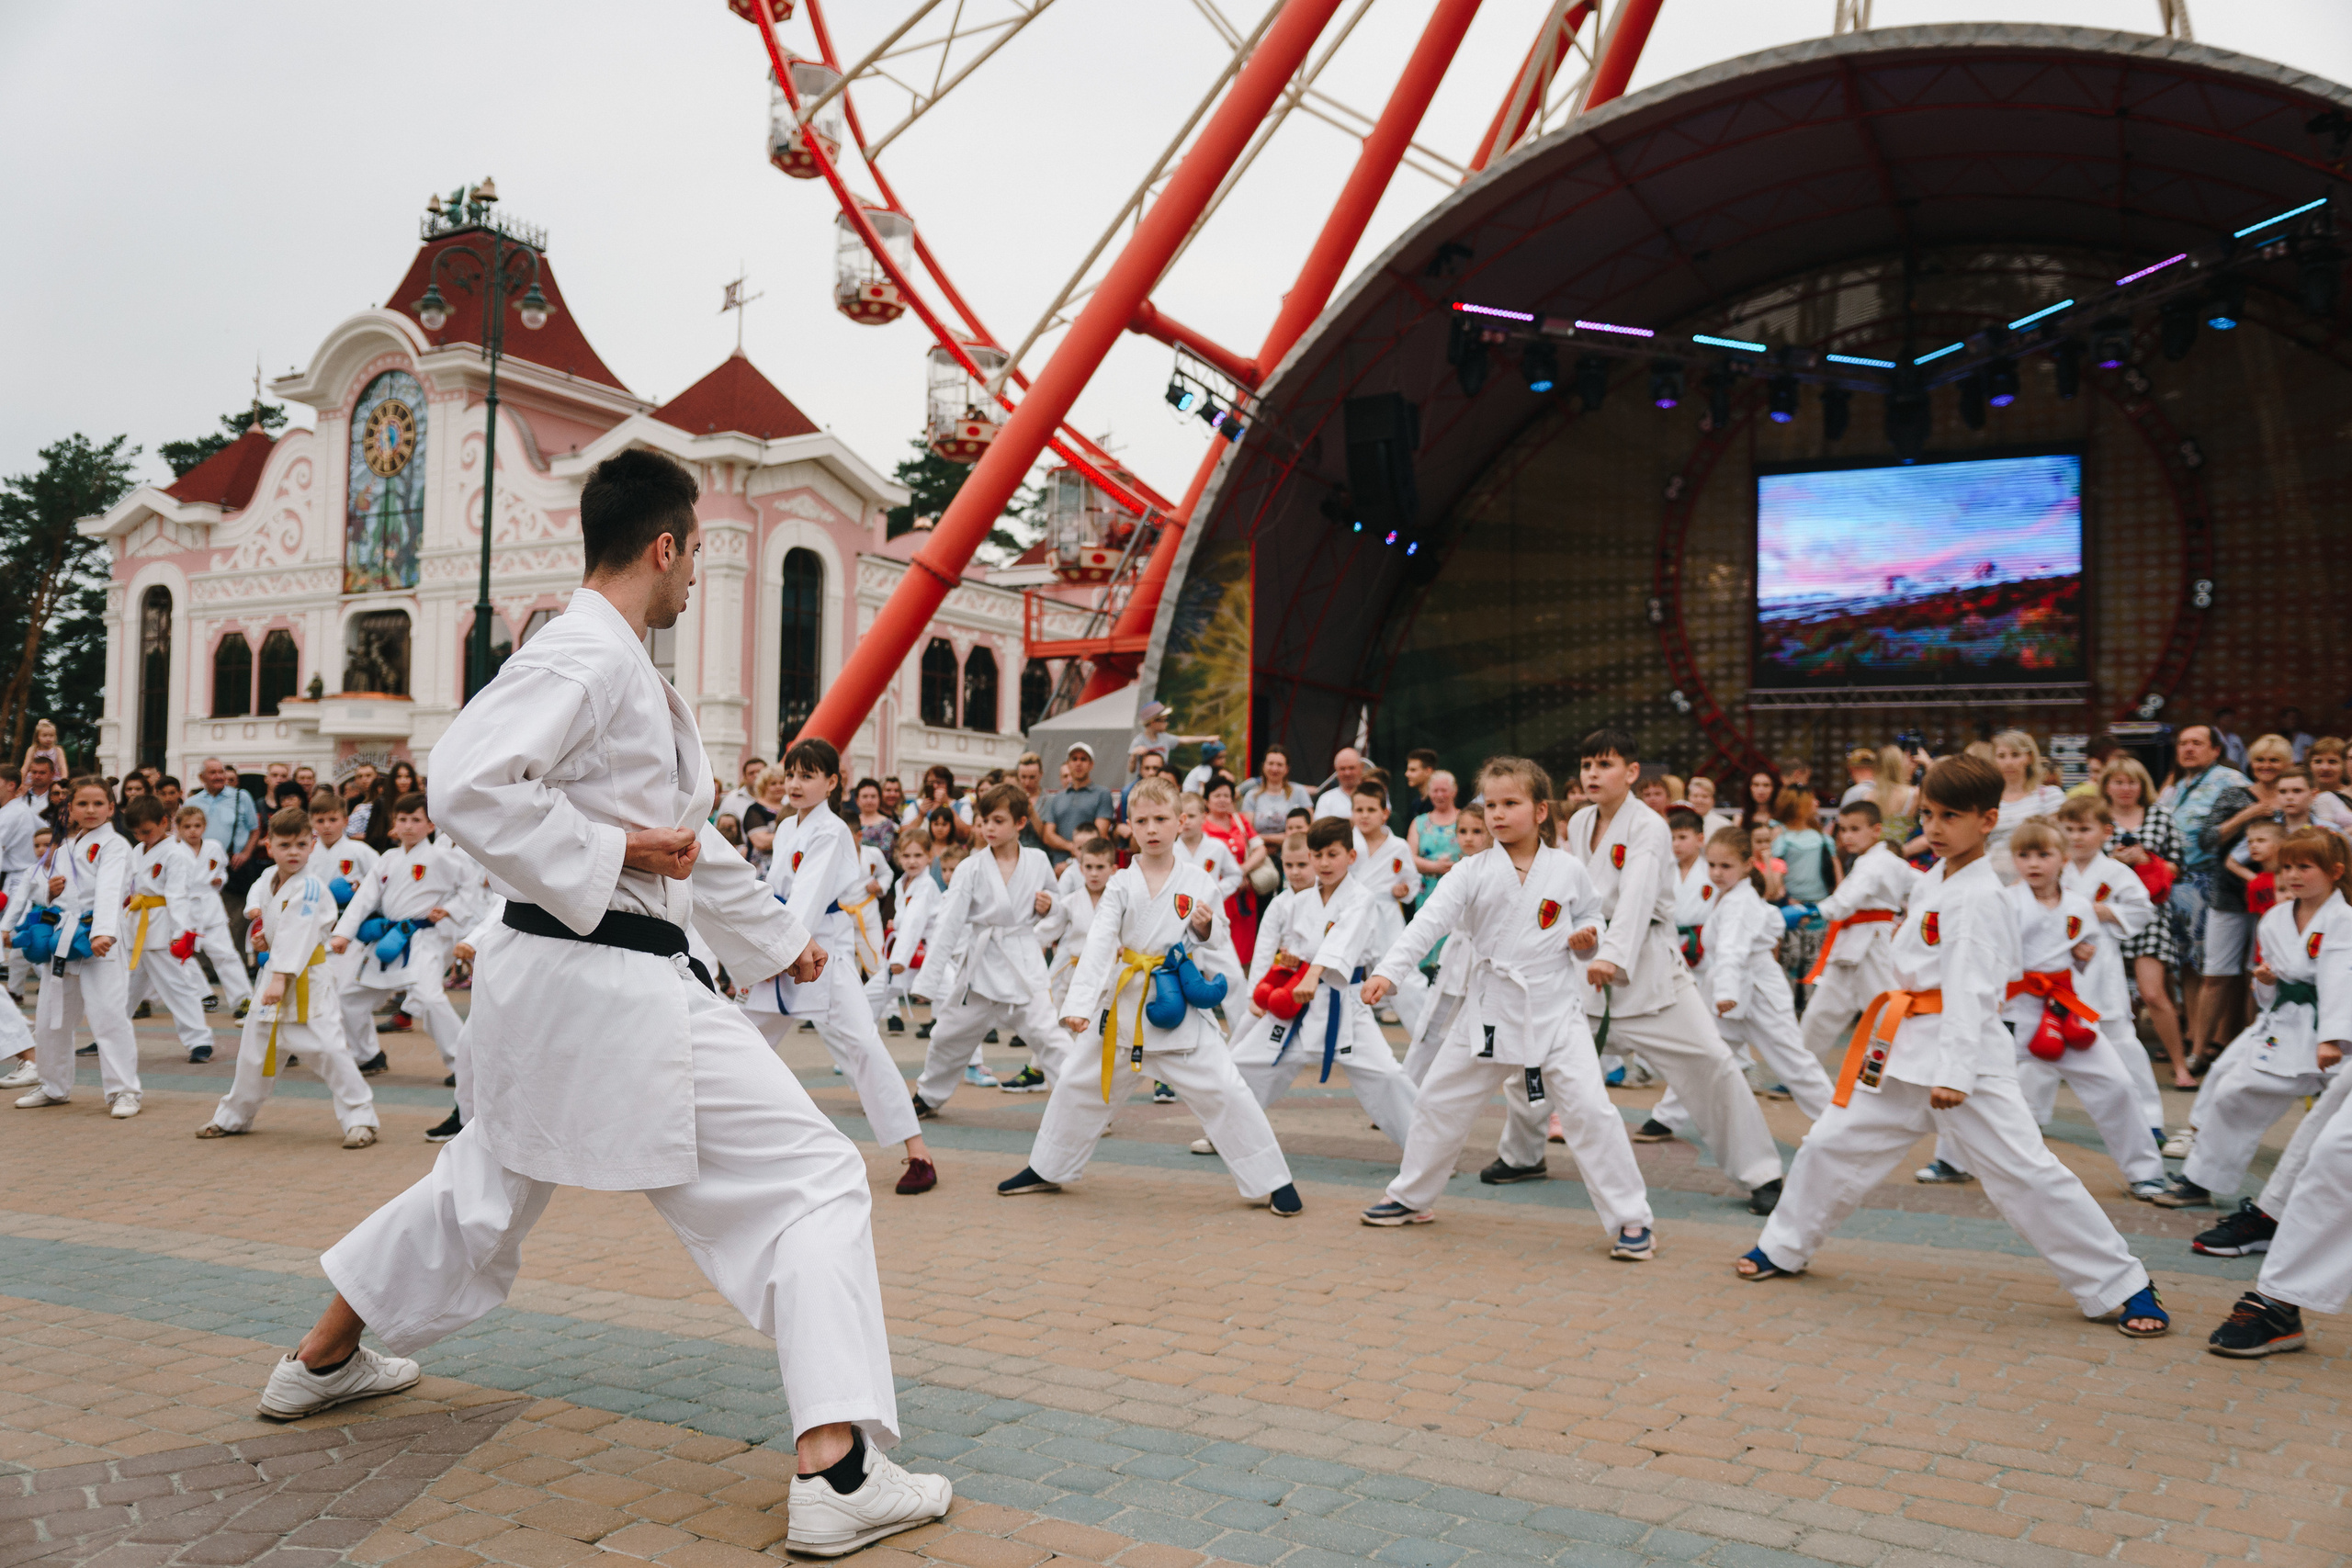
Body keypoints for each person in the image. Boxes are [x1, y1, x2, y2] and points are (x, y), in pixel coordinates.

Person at [265, 447, 946, 1555]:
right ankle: (839, 1468)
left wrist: (780, 942)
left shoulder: (616, 662)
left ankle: (318, 1364)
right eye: (695, 559)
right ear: (667, 544)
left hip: (558, 983)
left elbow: (690, 844)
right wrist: (617, 844)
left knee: (482, 1180)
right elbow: (467, 784)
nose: (693, 582)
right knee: (816, 1181)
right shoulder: (586, 652)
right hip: (611, 984)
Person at [1739, 753, 2169, 1339]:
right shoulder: (1937, 878)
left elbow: (1973, 988)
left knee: (2026, 1173)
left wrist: (1957, 1073)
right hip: (1906, 1048)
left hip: (1961, 1062)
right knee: (1830, 1143)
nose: (1935, 828)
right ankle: (1783, 1246)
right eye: (1928, 815)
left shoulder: (1979, 895)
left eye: (1951, 817)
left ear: (1988, 818)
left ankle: (2124, 1285)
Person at [1360, 758, 1653, 1250]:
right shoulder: (1471, 871)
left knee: (1591, 1111)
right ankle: (1412, 1196)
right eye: (1490, 804)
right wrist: (1390, 971)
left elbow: (1592, 917)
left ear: (1541, 811)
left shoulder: (1568, 869)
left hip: (1554, 1011)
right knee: (1438, 1101)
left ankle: (1631, 1218)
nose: (1497, 814)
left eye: (1510, 803)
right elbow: (1427, 922)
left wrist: (1588, 939)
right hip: (1489, 1009)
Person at [1497, 728, 1786, 1213]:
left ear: (1631, 773)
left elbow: (1636, 895)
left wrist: (1613, 955)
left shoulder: (1649, 826)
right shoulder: (1583, 820)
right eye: (1587, 764)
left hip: (1649, 971)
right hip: (1586, 968)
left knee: (1712, 1064)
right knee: (1532, 1062)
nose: (1592, 773)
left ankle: (1762, 1174)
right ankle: (1522, 1155)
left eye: (1604, 764)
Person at [999, 774, 1300, 1213]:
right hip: (1121, 1009)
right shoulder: (1121, 882)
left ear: (1180, 822)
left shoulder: (1198, 879)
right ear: (1130, 828)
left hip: (1175, 1003)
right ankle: (1048, 1168)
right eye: (1142, 821)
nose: (1153, 828)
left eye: (1162, 818)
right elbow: (1101, 940)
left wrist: (1202, 927)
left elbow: (1218, 938)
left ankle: (1273, 1180)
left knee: (1226, 1089)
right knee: (1077, 1085)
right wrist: (1079, 1006)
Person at [1923, 818, 2164, 1197]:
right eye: (2024, 855)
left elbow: (2085, 954)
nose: (2034, 864)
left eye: (2043, 855)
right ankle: (1951, 1159)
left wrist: (2083, 956)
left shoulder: (2079, 905)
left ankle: (2145, 1171)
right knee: (1975, 1079)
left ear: (2063, 859)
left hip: (2064, 1011)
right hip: (2015, 1011)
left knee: (2116, 1082)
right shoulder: (2004, 901)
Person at [742, 739, 941, 1196]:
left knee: (863, 1048)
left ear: (832, 783)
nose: (794, 783)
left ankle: (918, 1153)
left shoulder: (830, 830)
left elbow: (809, 899)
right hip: (788, 946)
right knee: (743, 1038)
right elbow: (777, 888)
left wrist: (778, 950)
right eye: (791, 773)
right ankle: (713, 1137)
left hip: (820, 951)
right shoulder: (790, 826)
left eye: (807, 775)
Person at [2157, 826, 2346, 1212]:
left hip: (2335, 1036)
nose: (2293, 875)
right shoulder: (2276, 918)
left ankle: (2319, 1202)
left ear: (2335, 871)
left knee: (2338, 1126)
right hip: (2285, 1028)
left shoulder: (2344, 920)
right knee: (2233, 1094)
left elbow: (2341, 980)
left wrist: (2333, 1037)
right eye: (2287, 866)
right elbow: (2275, 984)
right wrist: (2267, 982)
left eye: (2305, 867)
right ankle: (2199, 1180)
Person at [1227, 817, 1418, 1151]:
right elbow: (1295, 950)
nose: (1325, 863)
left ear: (1351, 856)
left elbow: (1343, 940)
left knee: (1387, 1075)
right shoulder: (1300, 902)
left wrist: (1314, 971)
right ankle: (1228, 1134)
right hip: (1297, 1002)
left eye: (1333, 854)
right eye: (1318, 855)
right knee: (1244, 1063)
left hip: (1346, 1003)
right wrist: (1290, 965)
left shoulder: (1362, 898)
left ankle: (1426, 1149)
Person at [195, 805, 380, 1147]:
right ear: (269, 846)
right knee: (254, 1052)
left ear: (311, 845)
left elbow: (299, 931)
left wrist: (280, 977)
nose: (293, 852)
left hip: (307, 980)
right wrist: (264, 936)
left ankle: (360, 1118)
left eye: (299, 845)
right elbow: (276, 922)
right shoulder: (268, 880)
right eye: (284, 845)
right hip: (272, 977)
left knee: (328, 1050)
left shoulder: (310, 888)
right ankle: (234, 1115)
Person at [910, 784, 1080, 1115]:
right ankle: (928, 1095)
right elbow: (948, 923)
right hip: (980, 969)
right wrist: (927, 982)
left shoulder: (1038, 859)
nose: (988, 827)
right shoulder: (970, 867)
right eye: (984, 820)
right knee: (947, 1036)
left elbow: (1060, 907)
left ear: (1020, 823)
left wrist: (1050, 907)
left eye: (998, 820)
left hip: (1023, 965)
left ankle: (1080, 1106)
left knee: (1051, 1039)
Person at [1677, 826, 1836, 1124]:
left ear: (1748, 864)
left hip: (1757, 992)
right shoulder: (1734, 895)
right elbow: (1765, 920)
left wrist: (1725, 993)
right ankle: (1666, 1116)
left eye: (1726, 866)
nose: (1717, 873)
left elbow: (1731, 950)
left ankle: (1836, 1124)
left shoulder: (1738, 900)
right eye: (1712, 865)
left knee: (1794, 1063)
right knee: (1705, 1056)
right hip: (1736, 990)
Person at [11, 776, 142, 1118]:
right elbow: (38, 886)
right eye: (82, 804)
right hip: (63, 937)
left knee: (108, 1016)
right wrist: (49, 893)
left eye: (98, 803)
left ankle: (124, 1091)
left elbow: (111, 889)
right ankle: (53, 1085)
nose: (90, 810)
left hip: (99, 939)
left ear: (112, 808)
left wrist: (103, 932)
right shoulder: (66, 845)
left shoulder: (115, 845)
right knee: (51, 1017)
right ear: (69, 808)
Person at [2052, 795, 2166, 1154]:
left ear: (2105, 832)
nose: (2076, 837)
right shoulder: (2056, 868)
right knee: (2044, 1043)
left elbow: (2142, 909)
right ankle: (2029, 1113)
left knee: (2121, 1040)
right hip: (2058, 964)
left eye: (2084, 829)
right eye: (2068, 829)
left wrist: (2103, 912)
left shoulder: (2117, 873)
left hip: (2101, 964)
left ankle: (2149, 1118)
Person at [330, 793, 469, 1079]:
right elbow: (365, 898)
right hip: (386, 938)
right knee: (349, 998)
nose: (408, 826)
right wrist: (343, 934)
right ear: (394, 823)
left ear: (431, 826)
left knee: (430, 999)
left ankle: (464, 1063)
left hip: (422, 938)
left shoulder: (444, 858)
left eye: (416, 820)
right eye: (402, 819)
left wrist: (450, 908)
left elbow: (471, 892)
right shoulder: (388, 859)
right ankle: (367, 1055)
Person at [1789, 800, 1918, 1069]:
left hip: (1872, 943)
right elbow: (1922, 886)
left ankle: (1905, 1066)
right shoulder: (1881, 862)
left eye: (1855, 829)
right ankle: (1800, 1074)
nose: (1847, 836)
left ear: (1876, 830)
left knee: (1884, 1009)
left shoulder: (1875, 864)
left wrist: (1813, 911)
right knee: (1820, 1014)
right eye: (1843, 829)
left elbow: (1846, 901)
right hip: (1852, 943)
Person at [2098, 756, 2191, 1089]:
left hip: (2149, 911)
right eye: (2118, 781)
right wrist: (2112, 862)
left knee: (2153, 993)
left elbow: (2177, 866)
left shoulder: (2159, 816)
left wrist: (2145, 860)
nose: (2125, 788)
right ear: (2106, 785)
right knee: (2109, 993)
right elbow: (2080, 859)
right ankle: (2112, 1068)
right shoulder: (2097, 817)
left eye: (2132, 781)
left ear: (2143, 786)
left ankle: (2181, 1066)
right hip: (2104, 912)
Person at [2158, 724, 2247, 1062]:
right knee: (2186, 964)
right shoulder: (2174, 789)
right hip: (2177, 884)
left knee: (2215, 964)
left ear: (2215, 750)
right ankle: (2192, 1034)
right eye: (2182, 743)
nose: (2188, 749)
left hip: (2214, 882)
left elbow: (2251, 832)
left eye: (2197, 743)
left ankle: (2219, 1040)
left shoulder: (2232, 781)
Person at [119, 795, 220, 1065]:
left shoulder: (177, 854)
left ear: (165, 822)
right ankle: (110, 1033)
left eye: (147, 831)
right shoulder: (138, 850)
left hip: (165, 929)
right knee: (124, 988)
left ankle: (200, 1040)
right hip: (137, 926)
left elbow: (178, 895)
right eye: (136, 833)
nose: (142, 837)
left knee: (179, 987)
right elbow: (127, 887)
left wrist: (182, 932)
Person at [865, 829, 937, 1037]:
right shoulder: (902, 882)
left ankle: (973, 1063)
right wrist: (895, 924)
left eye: (918, 855)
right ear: (898, 857)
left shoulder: (926, 885)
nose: (912, 861)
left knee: (952, 1006)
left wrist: (899, 959)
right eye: (906, 856)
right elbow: (906, 919)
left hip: (927, 956)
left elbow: (914, 922)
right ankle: (861, 1054)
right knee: (868, 999)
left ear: (929, 857)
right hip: (906, 958)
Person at [1986, 729, 2068, 883]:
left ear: (2029, 758)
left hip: (2037, 877)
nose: (2008, 762)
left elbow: (2058, 843)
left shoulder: (2049, 796)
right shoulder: (1985, 800)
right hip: (1993, 879)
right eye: (2001, 756)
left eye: (2015, 755)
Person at [1036, 742, 1116, 868]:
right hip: (1058, 868)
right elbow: (1048, 836)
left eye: (1083, 759)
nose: (1078, 763)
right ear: (1068, 764)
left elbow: (1099, 835)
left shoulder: (1103, 794)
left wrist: (1070, 863)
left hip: (1088, 868)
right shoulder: (1057, 798)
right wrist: (1071, 847)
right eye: (1074, 759)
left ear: (1091, 765)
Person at [1407, 770, 1462, 913]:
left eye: (1444, 790)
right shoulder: (1419, 822)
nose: (1439, 795)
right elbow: (1409, 857)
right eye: (1435, 791)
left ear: (1454, 791)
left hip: (1461, 888)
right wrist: (1435, 867)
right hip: (1429, 892)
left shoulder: (1466, 819)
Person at [1127, 700, 1216, 778]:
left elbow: (1183, 740)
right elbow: (1131, 770)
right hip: (1144, 779)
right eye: (1164, 720)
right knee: (1127, 792)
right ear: (1153, 722)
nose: (1167, 723)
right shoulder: (1138, 741)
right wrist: (1134, 755)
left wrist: (1206, 739)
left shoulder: (1165, 738)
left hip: (1162, 777)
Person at [741, 764, 789, 872]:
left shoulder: (789, 807)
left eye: (781, 783)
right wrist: (792, 834)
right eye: (773, 784)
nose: (778, 787)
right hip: (761, 870)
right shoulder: (755, 810)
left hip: (783, 866)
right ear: (763, 786)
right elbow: (761, 842)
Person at [1314, 748, 1366, 821]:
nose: (1347, 773)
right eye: (1342, 769)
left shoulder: (1374, 794)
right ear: (1336, 770)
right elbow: (1321, 829)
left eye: (1351, 768)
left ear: (1361, 767)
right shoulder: (1326, 799)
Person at [718, 755, 766, 827]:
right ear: (745, 777)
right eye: (751, 773)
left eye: (759, 772)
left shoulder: (781, 798)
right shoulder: (732, 799)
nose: (756, 776)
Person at [21, 719, 69, 783]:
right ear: (37, 737)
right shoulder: (33, 749)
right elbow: (25, 767)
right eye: (45, 736)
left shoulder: (58, 750)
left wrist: (64, 780)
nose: (48, 739)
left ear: (55, 737)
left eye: (51, 736)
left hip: (53, 778)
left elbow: (63, 767)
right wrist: (21, 781)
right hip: (36, 777)